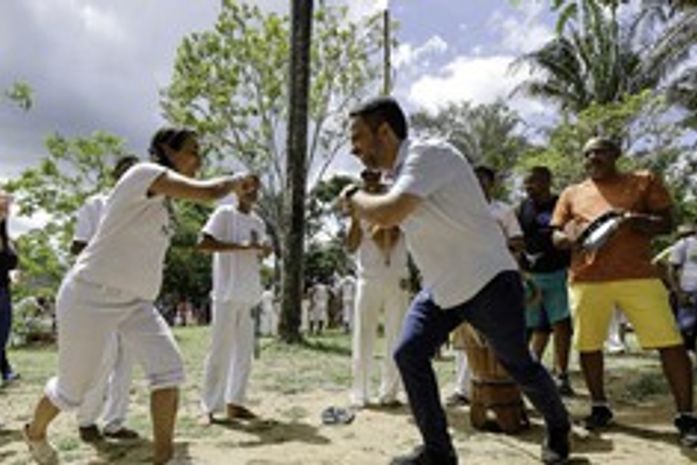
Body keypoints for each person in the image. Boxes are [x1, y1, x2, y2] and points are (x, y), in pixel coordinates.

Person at [341, 97, 570, 465]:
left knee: (517, 363)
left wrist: (354, 197)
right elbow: (383, 222)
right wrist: (368, 201)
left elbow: (390, 213)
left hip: (489, 280)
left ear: (384, 131)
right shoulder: (393, 175)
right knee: (408, 354)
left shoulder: (428, 154)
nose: (353, 149)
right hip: (441, 288)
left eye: (358, 138)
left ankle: (559, 427)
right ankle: (438, 451)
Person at [22, 127, 256, 465]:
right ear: (166, 150)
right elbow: (208, 193)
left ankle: (164, 457)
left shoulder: (165, 207)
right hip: (89, 296)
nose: (199, 160)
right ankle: (35, 432)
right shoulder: (142, 174)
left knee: (169, 370)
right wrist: (237, 180)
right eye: (192, 151)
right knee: (72, 390)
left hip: (135, 303)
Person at [551, 136, 697, 444]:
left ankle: (686, 416)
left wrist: (635, 221)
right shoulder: (572, 192)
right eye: (587, 153)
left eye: (600, 151)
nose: (592, 157)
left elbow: (668, 222)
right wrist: (566, 238)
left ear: (616, 154)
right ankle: (600, 406)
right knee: (588, 345)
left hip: (639, 276)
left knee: (670, 343)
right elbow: (556, 233)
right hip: (586, 278)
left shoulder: (643, 181)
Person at [71, 155, 140, 443]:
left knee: (126, 360)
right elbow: (78, 246)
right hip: (100, 292)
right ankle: (87, 420)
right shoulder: (96, 204)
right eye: (126, 174)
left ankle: (114, 421)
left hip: (133, 292)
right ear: (116, 177)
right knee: (103, 357)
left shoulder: (143, 210)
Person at [448, 165, 525, 406]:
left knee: (500, 335)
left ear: (491, 184)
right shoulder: (459, 211)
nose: (477, 184)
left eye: (482, 180)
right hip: (464, 278)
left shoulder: (503, 211)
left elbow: (518, 240)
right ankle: (463, 389)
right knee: (465, 335)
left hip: (496, 280)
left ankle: (507, 388)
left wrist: (495, 251)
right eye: (473, 180)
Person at [198, 173, 271, 423]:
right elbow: (204, 244)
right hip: (226, 294)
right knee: (219, 351)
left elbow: (256, 256)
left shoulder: (259, 222)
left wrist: (263, 251)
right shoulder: (223, 215)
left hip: (250, 294)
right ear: (237, 189)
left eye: (256, 187)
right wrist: (240, 247)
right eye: (247, 186)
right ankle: (209, 406)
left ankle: (235, 402)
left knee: (244, 353)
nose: (252, 191)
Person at [346, 169, 410, 409]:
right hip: (368, 277)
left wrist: (383, 215)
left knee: (396, 335)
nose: (371, 181)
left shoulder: (396, 202)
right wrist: (355, 217)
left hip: (397, 276)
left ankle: (389, 392)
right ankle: (359, 392)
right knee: (363, 334)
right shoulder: (358, 206)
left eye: (375, 177)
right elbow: (351, 246)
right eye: (366, 177)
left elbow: (394, 234)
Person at [517, 166, 574, 396]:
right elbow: (517, 239)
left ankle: (561, 374)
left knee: (561, 324)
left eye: (533, 182)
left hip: (558, 273)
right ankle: (525, 374)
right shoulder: (522, 208)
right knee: (528, 327)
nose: (528, 187)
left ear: (547, 181)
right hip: (530, 277)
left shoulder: (561, 204)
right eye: (526, 183)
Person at [0, 191, 19, 386]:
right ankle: (6, 371)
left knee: (3, 333)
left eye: (7, 204)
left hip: (4, 290)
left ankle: (6, 371)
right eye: (3, 203)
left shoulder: (6, 236)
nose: (6, 207)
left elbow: (11, 263)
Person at [669, 223, 697, 354]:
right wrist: (679, 292)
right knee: (686, 328)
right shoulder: (684, 244)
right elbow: (671, 270)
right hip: (689, 292)